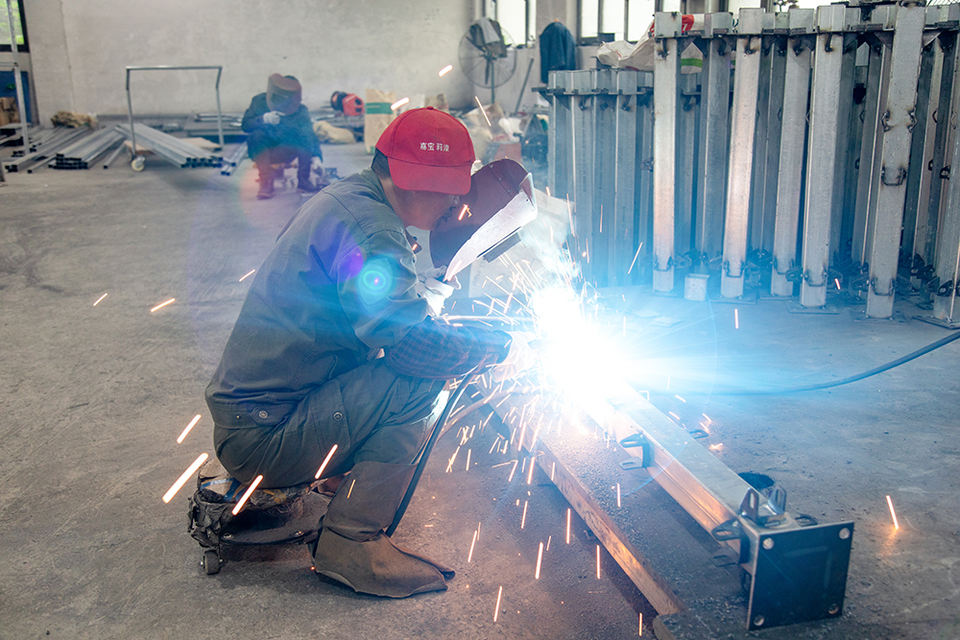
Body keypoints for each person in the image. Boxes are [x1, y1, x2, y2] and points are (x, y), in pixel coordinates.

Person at [205, 107, 527, 598]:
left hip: (257, 416)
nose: (454, 206)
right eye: (450, 195)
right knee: (419, 381)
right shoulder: (374, 230)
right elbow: (416, 348)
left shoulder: (351, 197)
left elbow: (374, 305)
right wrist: (498, 347)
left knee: (401, 357)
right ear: (418, 184)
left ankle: (338, 478)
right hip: (263, 441)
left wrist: (427, 297)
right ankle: (351, 542)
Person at [242, 73, 323, 198]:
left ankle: (303, 180)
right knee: (257, 135)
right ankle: (266, 182)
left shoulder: (300, 110)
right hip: (263, 151)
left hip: (287, 150)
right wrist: (263, 119)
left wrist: (317, 156)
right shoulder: (259, 102)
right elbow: (246, 125)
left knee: (304, 136)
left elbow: (310, 135)